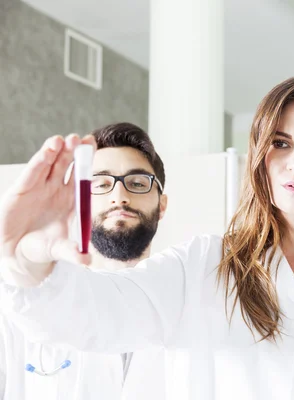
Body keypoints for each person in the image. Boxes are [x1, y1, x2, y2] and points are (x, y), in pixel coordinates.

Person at [0, 75, 294, 399]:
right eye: (280, 143)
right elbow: (99, 312)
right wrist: (26, 262)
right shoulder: (202, 265)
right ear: (259, 155)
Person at [0, 122, 168, 400]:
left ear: (162, 205)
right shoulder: (18, 309)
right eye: (101, 184)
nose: (119, 197)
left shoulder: (188, 307)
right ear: (79, 201)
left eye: (137, 183)